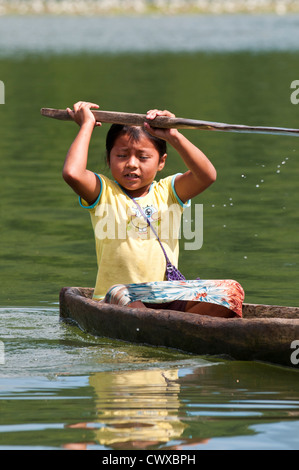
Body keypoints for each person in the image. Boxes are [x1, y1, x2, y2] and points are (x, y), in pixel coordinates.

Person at [63, 101, 244, 318]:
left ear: (161, 162)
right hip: (117, 298)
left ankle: (173, 329)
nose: (131, 164)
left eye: (143, 157)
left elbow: (207, 176)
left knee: (231, 291)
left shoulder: (167, 191)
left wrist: (174, 135)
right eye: (121, 155)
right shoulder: (103, 193)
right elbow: (72, 173)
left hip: (164, 296)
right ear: (109, 159)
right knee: (122, 293)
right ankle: (168, 328)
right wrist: (86, 125)